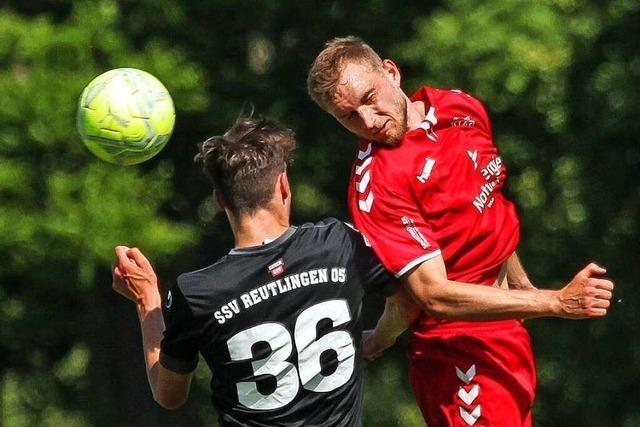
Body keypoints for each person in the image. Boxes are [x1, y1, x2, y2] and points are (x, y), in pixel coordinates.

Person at [307, 36, 614, 426]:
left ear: (391, 71)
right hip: (458, 354)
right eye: (349, 116)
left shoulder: (460, 107)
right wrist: (554, 303)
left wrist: (524, 290)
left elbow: (486, 211)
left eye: (369, 98)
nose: (368, 121)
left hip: (507, 335)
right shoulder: (378, 183)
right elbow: (430, 296)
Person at [111, 117, 396, 426]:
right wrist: (378, 338)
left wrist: (147, 301)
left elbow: (169, 395)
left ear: (220, 200)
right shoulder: (339, 243)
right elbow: (410, 295)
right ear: (284, 185)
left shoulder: (197, 293)